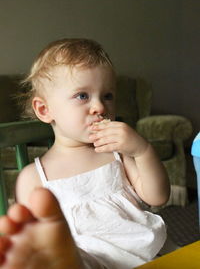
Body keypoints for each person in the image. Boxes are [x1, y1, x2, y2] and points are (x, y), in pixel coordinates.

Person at [0, 38, 170, 269]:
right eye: (82, 96)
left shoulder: (117, 154)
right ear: (44, 109)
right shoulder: (34, 177)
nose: (100, 107)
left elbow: (158, 196)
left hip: (145, 255)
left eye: (107, 95)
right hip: (84, 261)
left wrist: (143, 151)